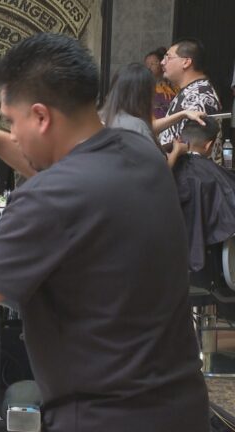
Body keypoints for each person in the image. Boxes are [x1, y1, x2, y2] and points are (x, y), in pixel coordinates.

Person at [0, 33, 208, 431]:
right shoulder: (137, 152)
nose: (13, 132)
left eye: (11, 121)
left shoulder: (48, 198)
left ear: (41, 117)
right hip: (182, 406)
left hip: (102, 417)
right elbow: (61, 173)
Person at [101, 62, 205, 161]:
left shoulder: (104, 117)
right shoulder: (135, 125)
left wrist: (183, 114)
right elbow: (157, 170)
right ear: (144, 95)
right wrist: (176, 152)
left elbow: (149, 128)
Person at [172, 118, 235, 271]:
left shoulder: (166, 168)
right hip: (212, 256)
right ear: (209, 146)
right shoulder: (214, 174)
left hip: (169, 253)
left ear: (180, 138)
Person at [159, 38, 222, 162]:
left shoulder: (199, 95)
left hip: (189, 178)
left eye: (168, 57)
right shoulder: (191, 90)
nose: (162, 62)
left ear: (186, 62)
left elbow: (192, 148)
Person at [144, 47, 178, 119]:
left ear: (162, 64)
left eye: (153, 63)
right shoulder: (143, 86)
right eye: (147, 64)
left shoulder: (173, 85)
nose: (149, 67)